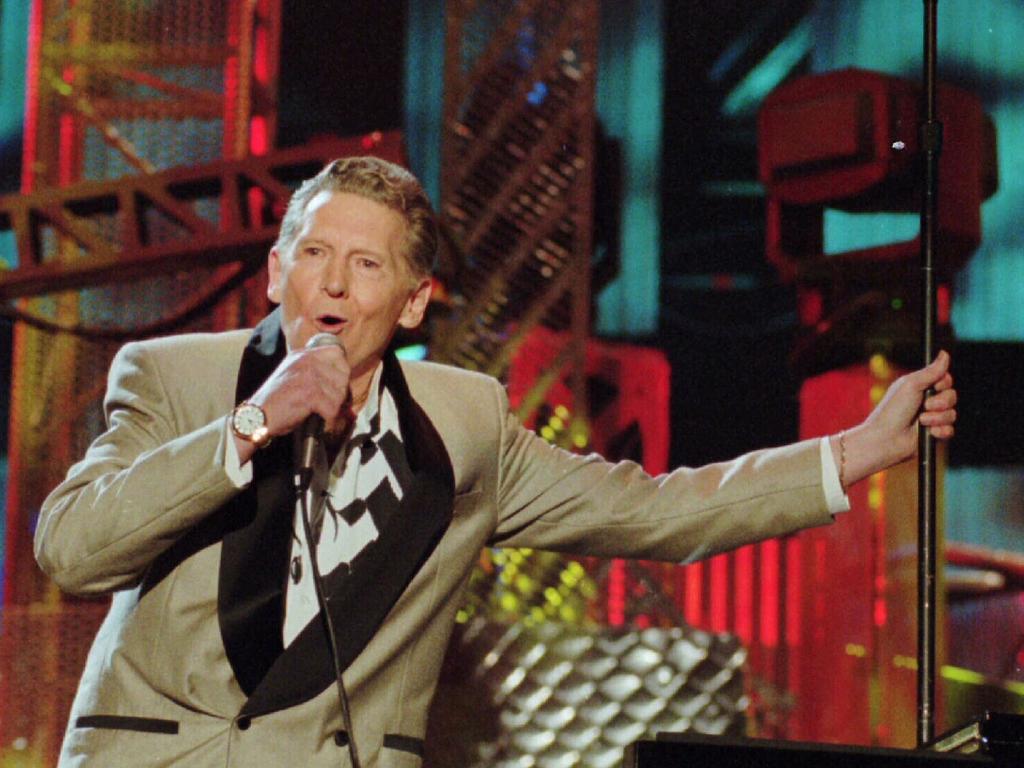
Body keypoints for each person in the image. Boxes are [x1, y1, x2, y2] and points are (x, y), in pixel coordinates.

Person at [35, 156, 957, 768]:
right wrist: (243, 429)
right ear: (276, 272)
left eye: (364, 263)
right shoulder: (171, 377)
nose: (332, 281)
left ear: (411, 303)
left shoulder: (464, 426)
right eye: (312, 253)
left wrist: (855, 452)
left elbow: (655, 511)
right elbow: (73, 551)